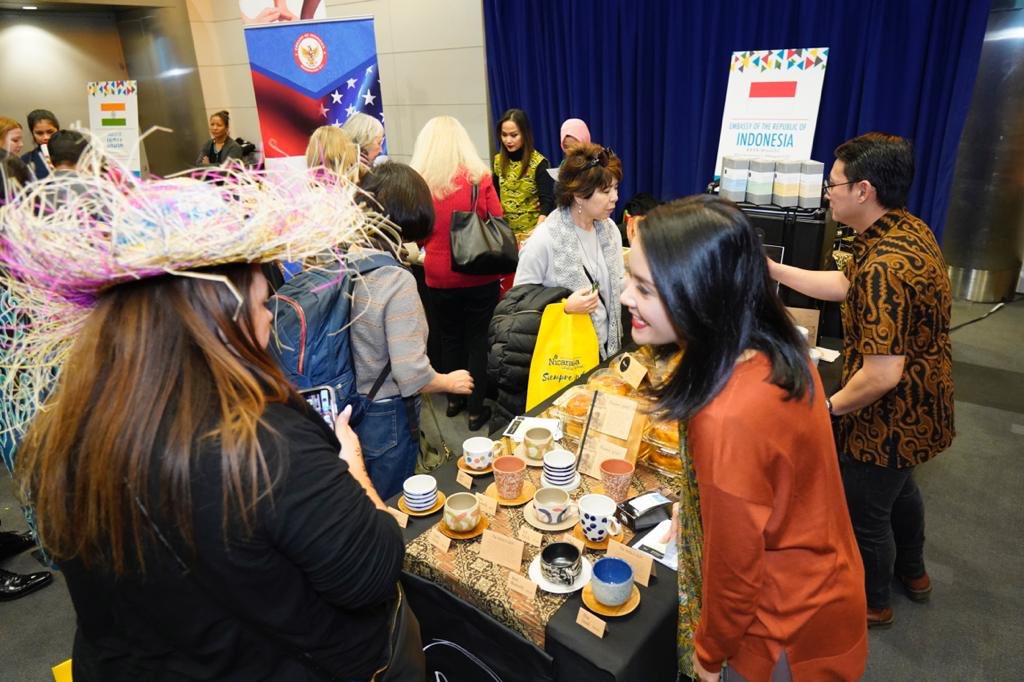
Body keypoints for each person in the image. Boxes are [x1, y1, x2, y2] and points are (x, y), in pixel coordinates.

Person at [4, 168, 422, 680]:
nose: (270, 317)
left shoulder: (66, 431)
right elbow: (372, 573)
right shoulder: (262, 443)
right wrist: (353, 471)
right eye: (263, 300)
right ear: (219, 308)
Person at [623, 195, 867, 681]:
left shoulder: (726, 415)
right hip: (826, 584)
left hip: (779, 629)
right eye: (629, 278)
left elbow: (735, 572)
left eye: (646, 288)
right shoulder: (774, 347)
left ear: (699, 292)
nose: (627, 297)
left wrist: (709, 656)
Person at [768, 132, 955, 628]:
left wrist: (825, 411)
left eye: (834, 184)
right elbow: (843, 286)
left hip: (889, 417)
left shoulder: (884, 269)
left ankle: (872, 603)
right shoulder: (904, 231)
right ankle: (913, 575)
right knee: (901, 491)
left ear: (863, 190)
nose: (829, 193)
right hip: (925, 404)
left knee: (864, 513)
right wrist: (772, 269)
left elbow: (881, 375)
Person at [410, 116, 505, 431]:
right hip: (479, 271)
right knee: (478, 340)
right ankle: (477, 410)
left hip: (438, 274)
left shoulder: (421, 182)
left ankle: (453, 399)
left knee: (449, 337)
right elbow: (497, 219)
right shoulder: (480, 178)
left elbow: (419, 234)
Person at [514, 142, 625, 360]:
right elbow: (518, 306)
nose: (615, 198)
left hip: (608, 351)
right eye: (606, 191)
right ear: (579, 195)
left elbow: (616, 282)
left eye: (616, 188)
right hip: (564, 357)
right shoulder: (544, 239)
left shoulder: (610, 230)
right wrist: (565, 307)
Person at [492, 108, 554, 239]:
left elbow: (547, 203)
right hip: (505, 235)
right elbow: (495, 197)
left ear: (525, 134)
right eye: (504, 135)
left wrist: (537, 232)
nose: (508, 140)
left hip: (532, 235)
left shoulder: (539, 163)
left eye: (514, 135)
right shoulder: (498, 161)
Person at [21, 109, 59, 180]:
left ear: (58, 130)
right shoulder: (26, 160)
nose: (46, 137)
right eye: (39, 133)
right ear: (32, 134)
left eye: (50, 132)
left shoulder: (72, 154)